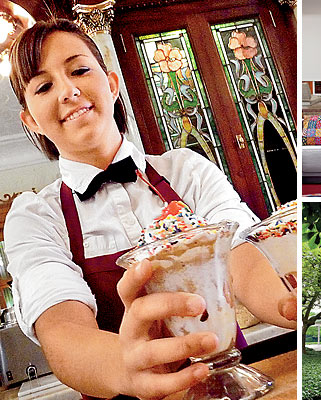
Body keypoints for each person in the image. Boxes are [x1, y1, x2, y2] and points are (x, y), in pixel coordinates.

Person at [4, 18, 296, 400]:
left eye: (79, 70)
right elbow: (61, 328)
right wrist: (126, 365)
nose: (69, 90)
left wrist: (289, 299)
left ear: (112, 84)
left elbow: (242, 254)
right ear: (31, 121)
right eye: (44, 86)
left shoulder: (186, 170)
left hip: (233, 386)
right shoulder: (34, 217)